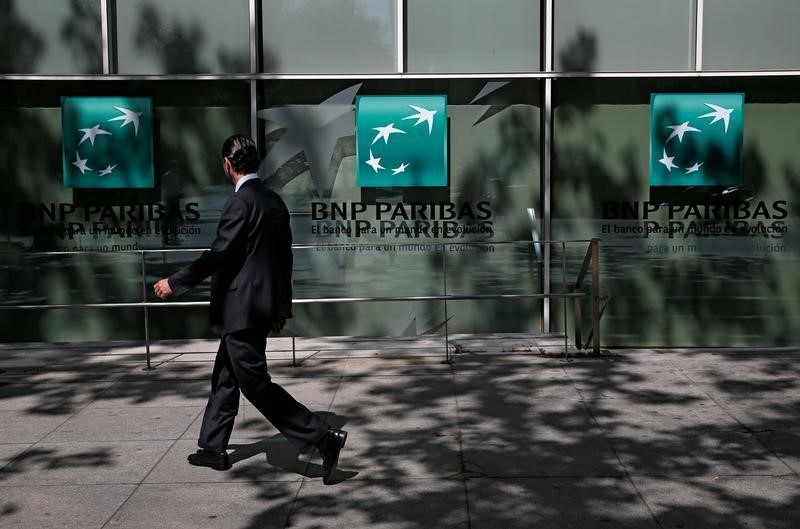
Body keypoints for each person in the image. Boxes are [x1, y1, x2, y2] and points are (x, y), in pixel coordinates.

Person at [153, 134, 346, 485]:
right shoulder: (273, 200)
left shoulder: (241, 203)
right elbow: (283, 260)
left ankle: (322, 437)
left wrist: (175, 282)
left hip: (240, 309)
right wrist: (280, 308)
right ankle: (213, 448)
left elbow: (219, 255)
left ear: (228, 163)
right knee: (226, 376)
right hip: (257, 307)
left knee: (255, 385)